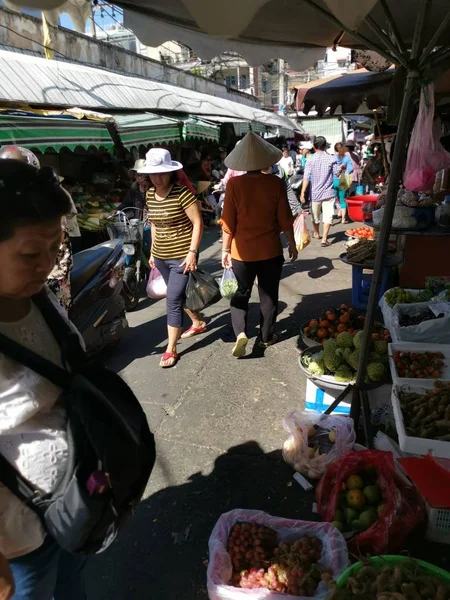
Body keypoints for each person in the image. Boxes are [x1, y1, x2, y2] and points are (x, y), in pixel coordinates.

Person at [0, 158, 87, 598]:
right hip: (15, 536)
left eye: (55, 248)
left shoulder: (38, 296)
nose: (49, 264)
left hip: (71, 502)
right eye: (31, 253)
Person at [220, 132, 298, 358]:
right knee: (269, 294)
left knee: (240, 295)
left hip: (241, 252)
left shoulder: (234, 184)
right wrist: (291, 243)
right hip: (270, 251)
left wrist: (225, 250)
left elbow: (228, 223)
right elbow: (285, 218)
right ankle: (265, 337)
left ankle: (241, 333)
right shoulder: (275, 183)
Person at [141, 148, 206, 368]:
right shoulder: (149, 194)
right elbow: (155, 225)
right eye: (153, 174)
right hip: (160, 257)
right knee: (178, 296)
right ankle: (197, 321)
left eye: (162, 173)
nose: (157, 178)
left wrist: (192, 252)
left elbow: (198, 223)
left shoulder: (183, 194)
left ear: (171, 173)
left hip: (181, 258)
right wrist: (152, 253)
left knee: (172, 300)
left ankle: (171, 349)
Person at [300, 136, 341, 247]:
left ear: (314, 147)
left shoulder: (310, 159)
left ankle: (317, 233)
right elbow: (337, 173)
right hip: (328, 193)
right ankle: (324, 239)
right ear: (325, 146)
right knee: (328, 216)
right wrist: (341, 168)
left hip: (315, 194)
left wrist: (302, 192)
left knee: (315, 216)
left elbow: (306, 177)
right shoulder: (331, 158)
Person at [61, 175, 82, 254]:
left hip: (70, 230)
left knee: (72, 253)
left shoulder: (61, 191)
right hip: (69, 230)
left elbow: (72, 211)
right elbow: (73, 211)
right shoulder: (62, 191)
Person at [334, 142, 353, 224]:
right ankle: (343, 219)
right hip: (342, 180)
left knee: (334, 199)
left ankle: (333, 217)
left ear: (335, 150)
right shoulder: (347, 159)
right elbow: (351, 169)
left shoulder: (333, 157)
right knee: (342, 200)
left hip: (333, 181)